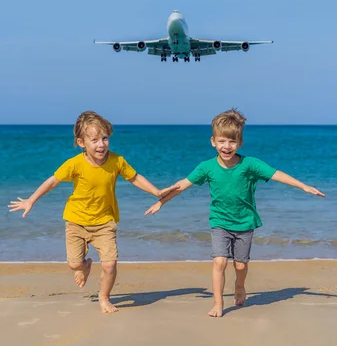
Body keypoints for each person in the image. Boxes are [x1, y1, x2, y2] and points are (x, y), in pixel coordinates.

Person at [145, 108, 325, 318]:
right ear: (213, 141)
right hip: (219, 222)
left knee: (240, 265)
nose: (226, 146)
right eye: (222, 141)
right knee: (219, 262)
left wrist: (303, 186)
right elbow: (182, 185)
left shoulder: (250, 164)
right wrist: (161, 202)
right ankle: (218, 303)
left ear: (239, 143)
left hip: (245, 222)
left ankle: (240, 286)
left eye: (232, 142)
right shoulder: (206, 167)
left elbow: (277, 174)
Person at [8, 111, 177, 314]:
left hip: (105, 223)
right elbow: (52, 181)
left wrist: (156, 192)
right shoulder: (74, 164)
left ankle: (104, 297)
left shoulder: (117, 161)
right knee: (73, 264)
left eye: (104, 138)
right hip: (75, 222)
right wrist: (31, 200)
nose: (101, 144)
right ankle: (84, 266)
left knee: (110, 264)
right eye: (94, 140)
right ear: (81, 142)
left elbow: (135, 178)